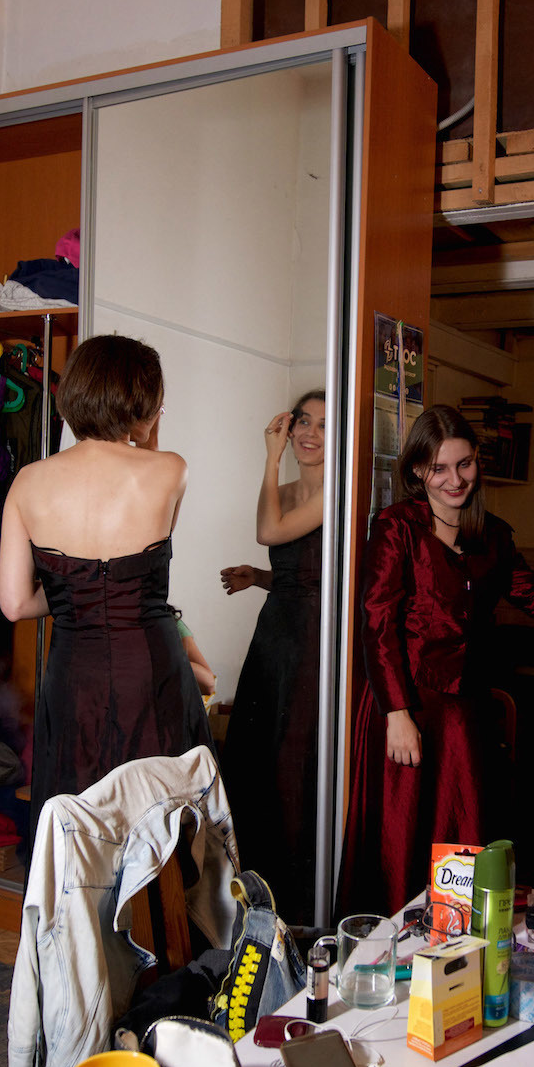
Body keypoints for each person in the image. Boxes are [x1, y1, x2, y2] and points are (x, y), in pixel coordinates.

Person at [340, 405, 534, 914]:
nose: (453, 480)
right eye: (438, 469)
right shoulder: (397, 526)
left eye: (463, 465)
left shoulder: (494, 533)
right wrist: (396, 713)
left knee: (460, 836)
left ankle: (454, 950)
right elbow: (377, 622)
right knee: (401, 838)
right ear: (418, 470)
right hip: (407, 705)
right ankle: (392, 952)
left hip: (464, 711)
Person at [0, 334, 214, 819]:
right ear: (145, 401)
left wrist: (71, 594)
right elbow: (143, 566)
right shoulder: (170, 470)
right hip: (151, 667)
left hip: (75, 672)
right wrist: (151, 437)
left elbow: (14, 604)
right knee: (159, 818)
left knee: (83, 818)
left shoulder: (29, 481)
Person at [219, 392, 326, 921]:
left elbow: (268, 531)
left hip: (312, 636)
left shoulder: (336, 490)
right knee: (255, 752)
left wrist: (268, 457)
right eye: (303, 420)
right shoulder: (286, 491)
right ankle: (253, 890)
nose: (310, 432)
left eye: (325, 425)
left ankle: (297, 896)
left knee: (292, 758)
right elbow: (287, 561)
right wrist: (260, 577)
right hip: (276, 631)